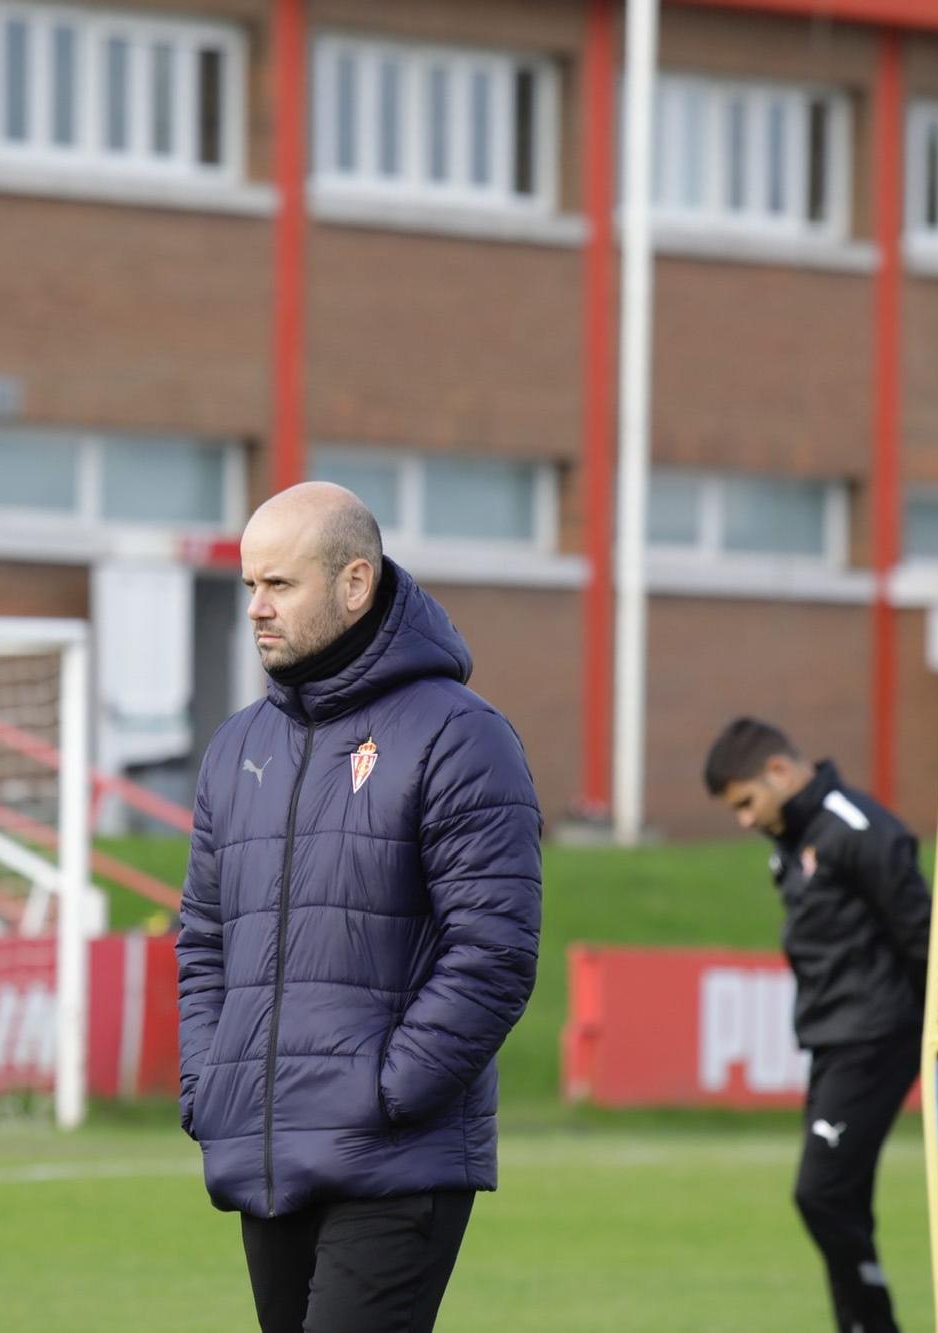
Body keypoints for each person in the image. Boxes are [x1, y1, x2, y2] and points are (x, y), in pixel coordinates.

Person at [176, 482, 543, 1333]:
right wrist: (210, 1081)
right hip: (264, 1150)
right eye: (249, 587)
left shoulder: (460, 733)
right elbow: (203, 940)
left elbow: (493, 948)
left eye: (280, 585)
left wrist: (386, 1091)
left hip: (394, 1154)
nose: (257, 609)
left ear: (355, 582)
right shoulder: (237, 747)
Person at [703, 718, 931, 1333]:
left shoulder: (858, 828)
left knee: (821, 1192)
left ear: (779, 772)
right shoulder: (796, 836)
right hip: (835, 1038)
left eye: (747, 803)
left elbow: (920, 928)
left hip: (876, 1035)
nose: (745, 820)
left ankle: (873, 1325)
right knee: (845, 1200)